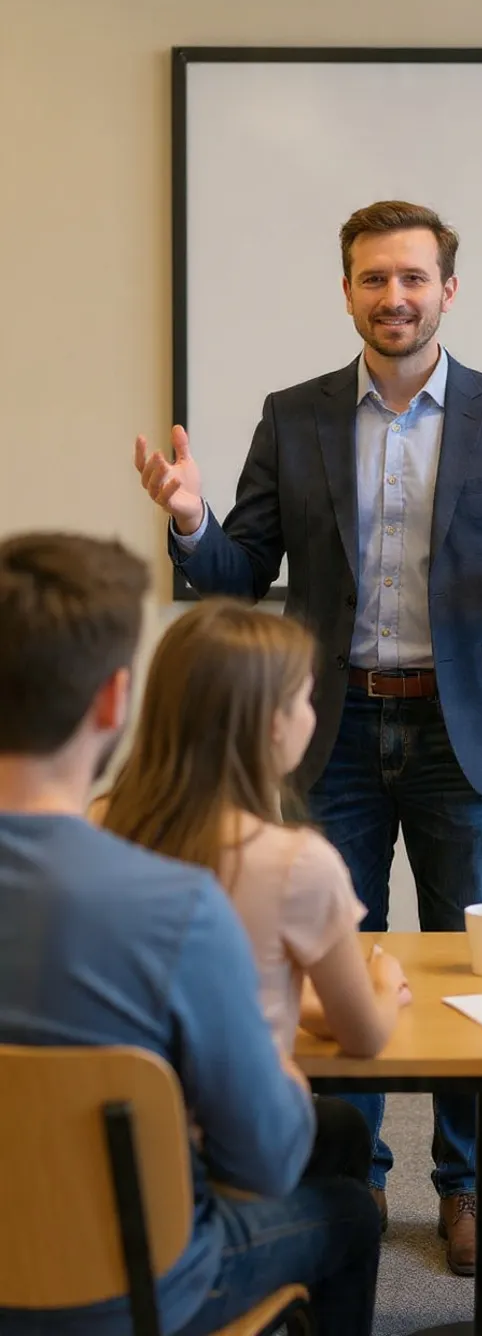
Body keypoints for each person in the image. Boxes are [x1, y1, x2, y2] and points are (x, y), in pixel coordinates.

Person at [135, 198, 482, 1273]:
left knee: (470, 971)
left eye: (414, 279)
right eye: (374, 279)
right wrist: (192, 522)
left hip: (457, 729)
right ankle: (355, 1178)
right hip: (328, 727)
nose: (395, 297)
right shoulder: (293, 417)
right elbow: (240, 573)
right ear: (347, 291)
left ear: (448, 292)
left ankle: (468, 1189)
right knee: (341, 958)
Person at [0, 532, 380, 1336]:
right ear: (113, 700)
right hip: (133, 1290)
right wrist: (271, 1046)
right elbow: (266, 1160)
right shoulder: (175, 909)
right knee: (350, 1212)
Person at [91, 597, 412, 1071]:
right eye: (305, 698)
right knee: (339, 1129)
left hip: (107, 1123)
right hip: (229, 1135)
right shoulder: (297, 863)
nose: (313, 716)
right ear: (271, 725)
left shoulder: (94, 826)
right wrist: (384, 985)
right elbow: (363, 1037)